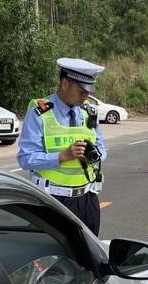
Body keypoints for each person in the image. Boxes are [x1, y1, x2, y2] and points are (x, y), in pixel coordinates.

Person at [18, 58, 107, 235]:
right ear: (65, 83)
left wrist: (93, 154)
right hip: (53, 201)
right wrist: (62, 156)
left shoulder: (88, 111)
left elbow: (102, 149)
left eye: (89, 92)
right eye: (82, 90)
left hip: (87, 200)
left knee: (90, 257)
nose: (86, 96)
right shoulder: (40, 112)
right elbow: (25, 158)